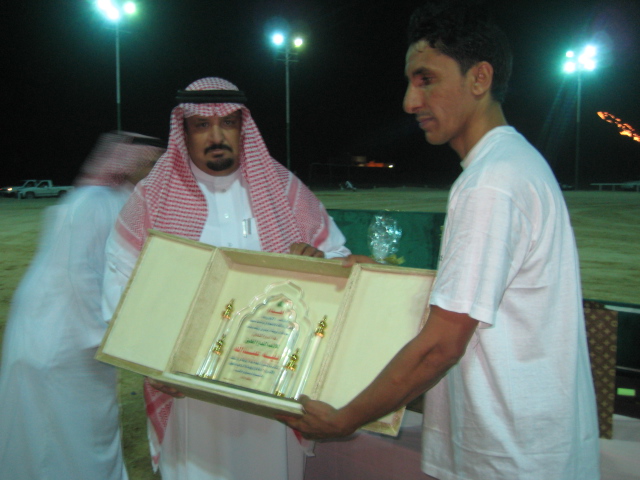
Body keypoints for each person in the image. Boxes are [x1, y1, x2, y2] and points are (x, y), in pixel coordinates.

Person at [280, 1, 600, 479]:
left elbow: (442, 345)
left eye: (426, 79)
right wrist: (379, 276)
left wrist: (345, 418)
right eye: (411, 82)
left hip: (510, 457)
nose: (410, 102)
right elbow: (482, 299)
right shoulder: (513, 164)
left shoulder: (490, 184)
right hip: (528, 447)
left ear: (480, 78)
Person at [101, 77, 350, 480]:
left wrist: (318, 263)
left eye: (228, 123)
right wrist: (152, 360)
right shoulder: (152, 198)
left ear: (242, 127)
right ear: (183, 132)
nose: (216, 137)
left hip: (271, 387)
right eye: (202, 125)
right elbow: (119, 285)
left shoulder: (283, 189)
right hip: (188, 393)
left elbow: (338, 257)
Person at [0, 132, 165, 480]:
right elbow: (78, 274)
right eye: (150, 162)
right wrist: (107, 335)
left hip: (79, 334)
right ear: (130, 162)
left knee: (86, 426)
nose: (155, 168)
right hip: (59, 335)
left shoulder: (119, 198)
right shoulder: (92, 201)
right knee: (59, 431)